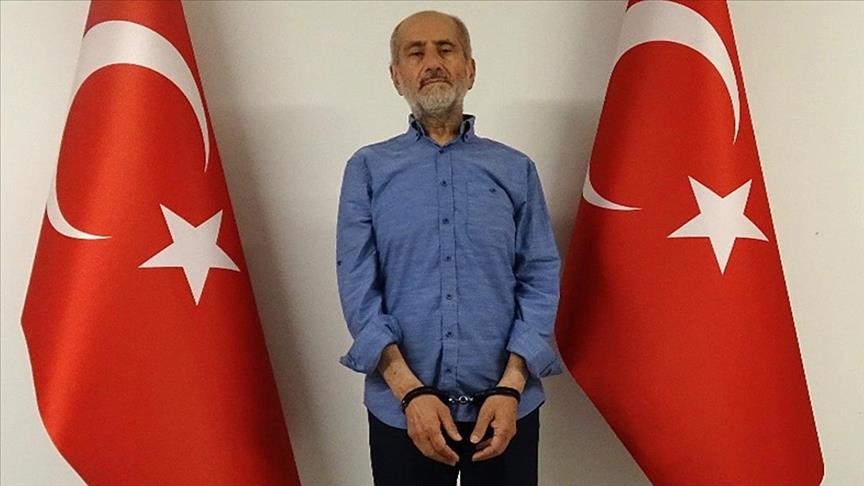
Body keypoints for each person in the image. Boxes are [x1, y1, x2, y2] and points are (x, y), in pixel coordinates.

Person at [336, 10, 561, 486]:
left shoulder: (516, 169)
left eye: (446, 49)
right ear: (397, 76)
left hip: (506, 409)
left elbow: (540, 277)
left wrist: (512, 386)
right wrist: (409, 393)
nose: (432, 62)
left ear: (470, 69)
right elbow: (358, 289)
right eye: (415, 53)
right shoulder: (368, 169)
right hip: (403, 412)